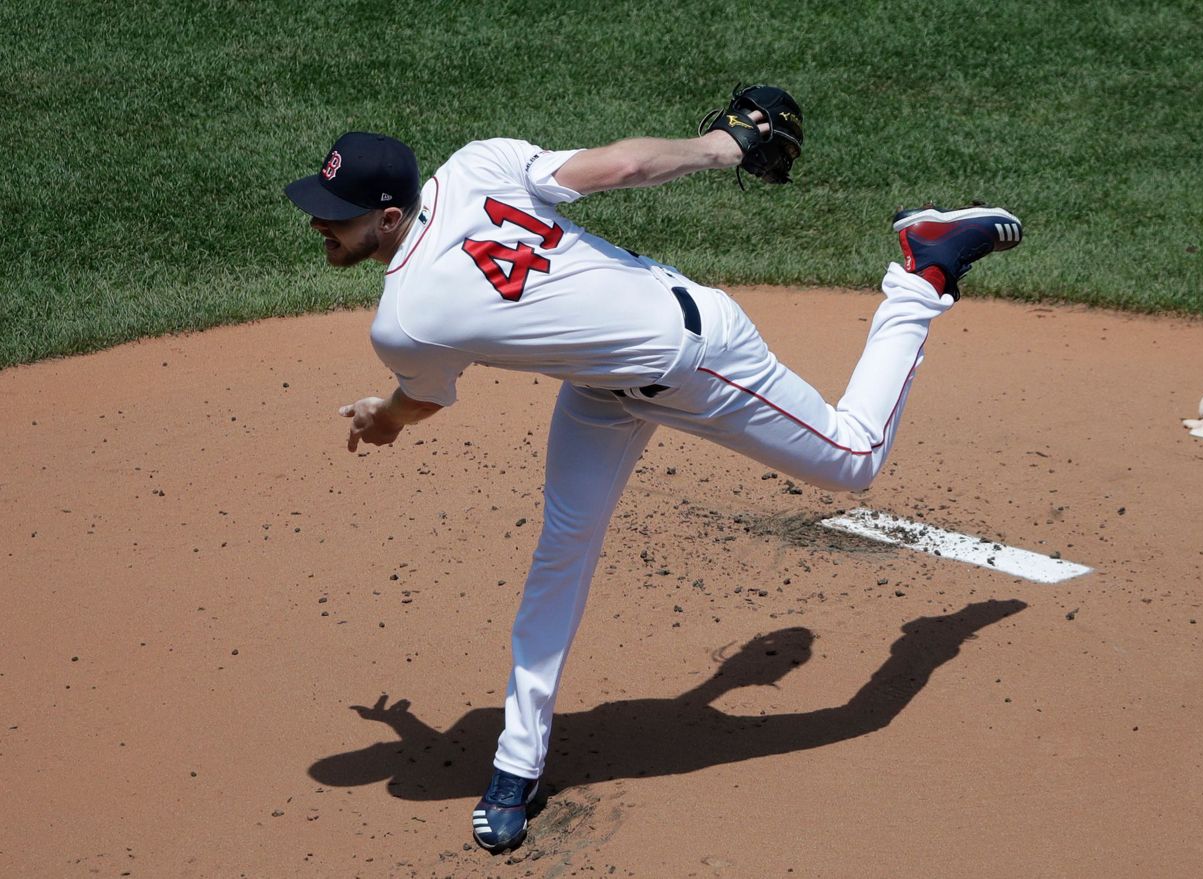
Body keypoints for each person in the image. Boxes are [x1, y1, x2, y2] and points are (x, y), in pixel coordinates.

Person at [284, 106, 1022, 852]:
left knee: (854, 458)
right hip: (603, 383)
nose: (321, 226)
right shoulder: (477, 163)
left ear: (386, 217)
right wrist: (720, 147)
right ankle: (516, 762)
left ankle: (923, 270)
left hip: (698, 360)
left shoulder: (406, 317)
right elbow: (621, 166)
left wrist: (386, 417)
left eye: (336, 218)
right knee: (561, 552)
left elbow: (424, 399)